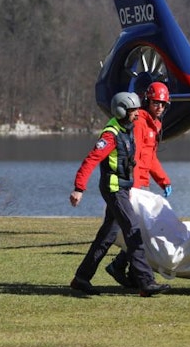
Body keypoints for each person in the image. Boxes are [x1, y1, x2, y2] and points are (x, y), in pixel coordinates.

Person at [69, 91, 170, 297]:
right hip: (114, 189)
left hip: (123, 188)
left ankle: (81, 278)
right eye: (133, 111)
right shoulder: (111, 135)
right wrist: (79, 188)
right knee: (133, 230)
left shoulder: (128, 128)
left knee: (107, 236)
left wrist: (155, 181)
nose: (137, 114)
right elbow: (91, 160)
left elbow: (141, 158)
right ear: (122, 111)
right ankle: (145, 282)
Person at [104, 82, 173, 289]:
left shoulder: (154, 124)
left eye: (163, 104)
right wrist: (131, 184)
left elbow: (150, 158)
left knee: (136, 230)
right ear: (148, 101)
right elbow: (132, 155)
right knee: (133, 231)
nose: (159, 107)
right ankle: (125, 270)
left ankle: (126, 271)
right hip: (133, 184)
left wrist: (164, 180)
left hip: (142, 183)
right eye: (156, 102)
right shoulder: (141, 122)